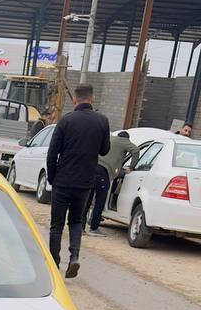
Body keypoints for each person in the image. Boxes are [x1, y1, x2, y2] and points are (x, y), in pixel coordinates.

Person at [46, 82, 110, 278]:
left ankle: (54, 262)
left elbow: (52, 153)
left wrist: (52, 177)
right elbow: (104, 150)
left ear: (74, 99)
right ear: (92, 99)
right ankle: (74, 257)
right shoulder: (102, 121)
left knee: (57, 225)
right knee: (75, 221)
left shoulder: (66, 121)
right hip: (85, 182)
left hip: (63, 180)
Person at [85, 129, 140, 233]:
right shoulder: (124, 141)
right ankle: (94, 228)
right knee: (100, 200)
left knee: (87, 198)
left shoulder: (110, 138)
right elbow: (136, 150)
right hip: (103, 171)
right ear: (127, 139)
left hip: (92, 167)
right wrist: (131, 167)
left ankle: (81, 227)